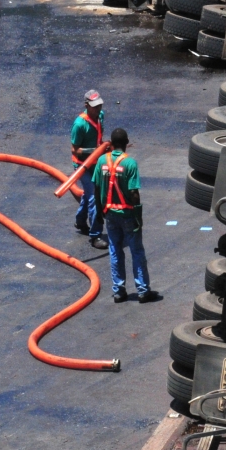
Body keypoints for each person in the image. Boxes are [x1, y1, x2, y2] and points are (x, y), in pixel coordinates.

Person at [94, 128, 159, 303]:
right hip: (127, 214)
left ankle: (118, 291)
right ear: (127, 143)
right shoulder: (130, 163)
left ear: (111, 143)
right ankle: (143, 290)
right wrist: (138, 216)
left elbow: (96, 188)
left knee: (115, 250)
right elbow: (134, 193)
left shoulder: (101, 161)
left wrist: (99, 213)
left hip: (109, 214)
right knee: (136, 251)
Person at [70, 90, 107, 249]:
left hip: (95, 163)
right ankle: (95, 235)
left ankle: (80, 221)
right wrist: (94, 151)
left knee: (88, 194)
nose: (98, 109)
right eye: (94, 106)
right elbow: (75, 150)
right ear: (86, 105)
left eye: (99, 105)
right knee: (94, 198)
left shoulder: (100, 116)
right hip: (82, 166)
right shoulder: (79, 125)